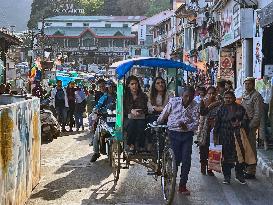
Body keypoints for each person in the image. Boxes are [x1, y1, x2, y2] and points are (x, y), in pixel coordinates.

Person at [157, 86, 200, 195]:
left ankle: (182, 185)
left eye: (190, 97)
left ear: (193, 97)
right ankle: (171, 179)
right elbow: (164, 114)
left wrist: (187, 127)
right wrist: (158, 122)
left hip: (187, 135)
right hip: (173, 133)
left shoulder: (195, 105)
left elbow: (196, 123)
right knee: (175, 159)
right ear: (182, 95)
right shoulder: (173, 101)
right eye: (185, 96)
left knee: (186, 160)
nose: (187, 99)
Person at [214, 91, 247, 185]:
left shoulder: (240, 108)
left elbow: (245, 120)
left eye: (230, 97)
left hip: (237, 136)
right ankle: (227, 177)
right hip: (224, 136)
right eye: (226, 97)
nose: (228, 99)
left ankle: (239, 175)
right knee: (226, 158)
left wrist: (240, 123)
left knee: (240, 156)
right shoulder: (220, 109)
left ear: (234, 98)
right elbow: (217, 124)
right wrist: (216, 137)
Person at [241, 77, 263, 179]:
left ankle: (251, 170)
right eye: (245, 84)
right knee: (245, 147)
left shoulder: (256, 96)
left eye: (249, 84)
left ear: (253, 84)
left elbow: (258, 113)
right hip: (244, 123)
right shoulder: (245, 94)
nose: (247, 86)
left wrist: (252, 125)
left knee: (251, 147)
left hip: (250, 124)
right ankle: (246, 167)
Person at [90, 81, 117, 162]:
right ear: (107, 88)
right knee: (96, 134)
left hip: (117, 119)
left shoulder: (118, 97)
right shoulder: (104, 97)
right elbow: (97, 106)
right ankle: (96, 152)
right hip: (105, 119)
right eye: (109, 87)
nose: (111, 88)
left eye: (113, 87)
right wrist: (96, 110)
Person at [198, 86, 221, 176]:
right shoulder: (203, 101)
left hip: (215, 129)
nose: (211, 95)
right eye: (209, 93)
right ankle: (203, 166)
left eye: (213, 93)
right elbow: (202, 112)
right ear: (207, 93)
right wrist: (211, 106)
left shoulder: (219, 102)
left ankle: (211, 168)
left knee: (213, 148)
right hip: (205, 129)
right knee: (203, 149)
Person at [124, 75, 148, 154]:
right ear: (128, 85)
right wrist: (131, 111)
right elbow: (124, 108)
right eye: (132, 84)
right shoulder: (125, 96)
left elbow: (145, 108)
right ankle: (131, 145)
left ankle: (141, 146)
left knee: (141, 125)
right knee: (131, 123)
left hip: (140, 117)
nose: (134, 86)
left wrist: (139, 111)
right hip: (128, 118)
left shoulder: (143, 95)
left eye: (136, 84)